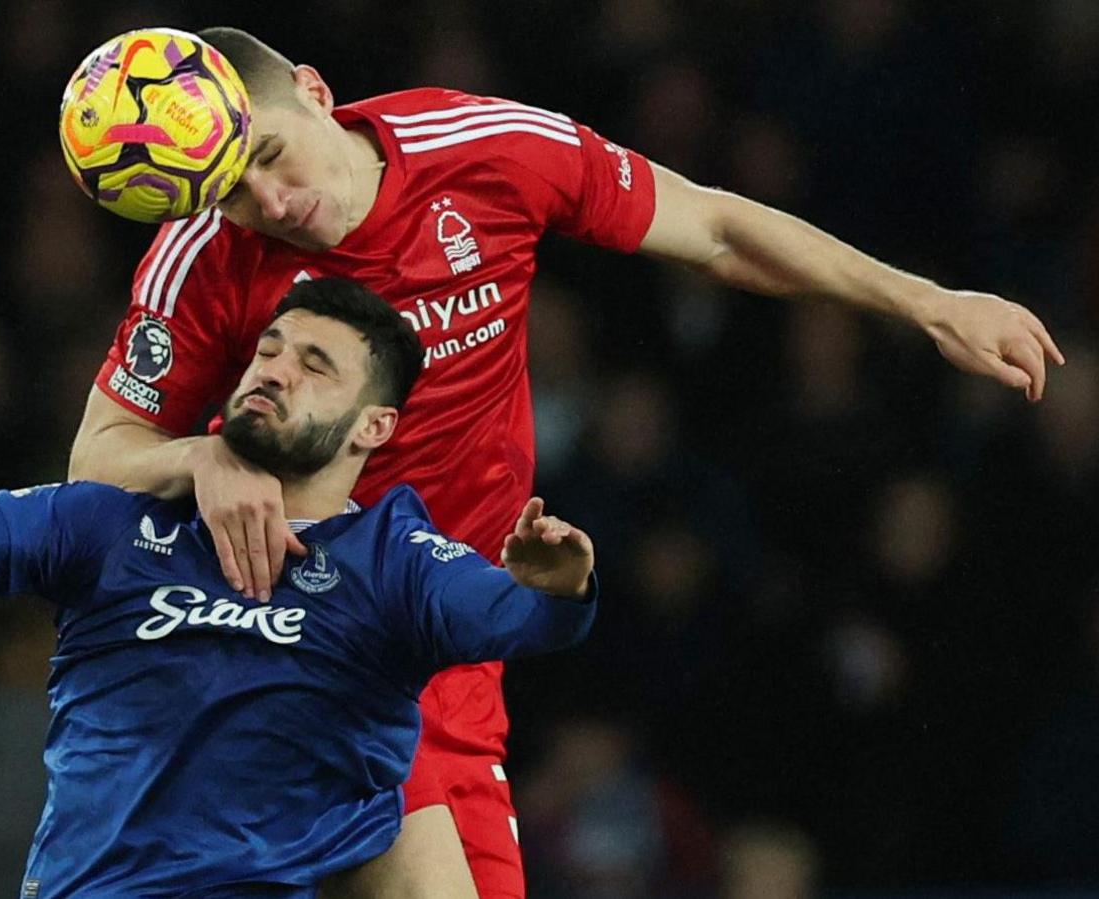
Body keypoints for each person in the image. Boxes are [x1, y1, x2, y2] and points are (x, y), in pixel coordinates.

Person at [67, 26, 1068, 898]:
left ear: (318, 94)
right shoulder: (202, 257)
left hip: (459, 652)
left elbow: (714, 226)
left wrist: (929, 301)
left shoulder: (485, 148)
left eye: (272, 157)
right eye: (232, 194)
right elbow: (95, 461)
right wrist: (205, 458)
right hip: (315, 638)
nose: (270, 201)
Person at [0, 278, 600, 899]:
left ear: (373, 426)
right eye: (270, 348)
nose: (275, 367)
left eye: (316, 366)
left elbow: (510, 616)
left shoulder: (392, 557)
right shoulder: (113, 526)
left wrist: (560, 587)